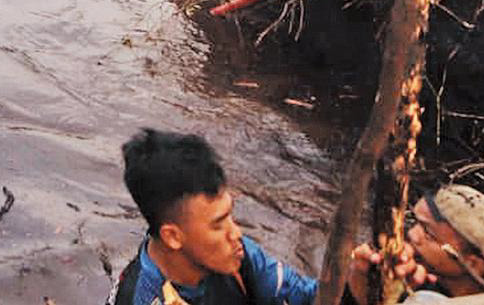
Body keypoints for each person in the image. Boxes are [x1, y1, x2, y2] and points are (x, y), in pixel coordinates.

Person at [114, 128, 417, 305]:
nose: (235, 234)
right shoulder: (144, 298)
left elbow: (307, 298)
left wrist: (356, 280)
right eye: (218, 225)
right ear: (172, 236)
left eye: (230, 216)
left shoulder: (237, 259)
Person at [396, 184, 484, 299]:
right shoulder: (413, 281)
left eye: (428, 233)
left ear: (472, 264)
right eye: (415, 222)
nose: (412, 234)